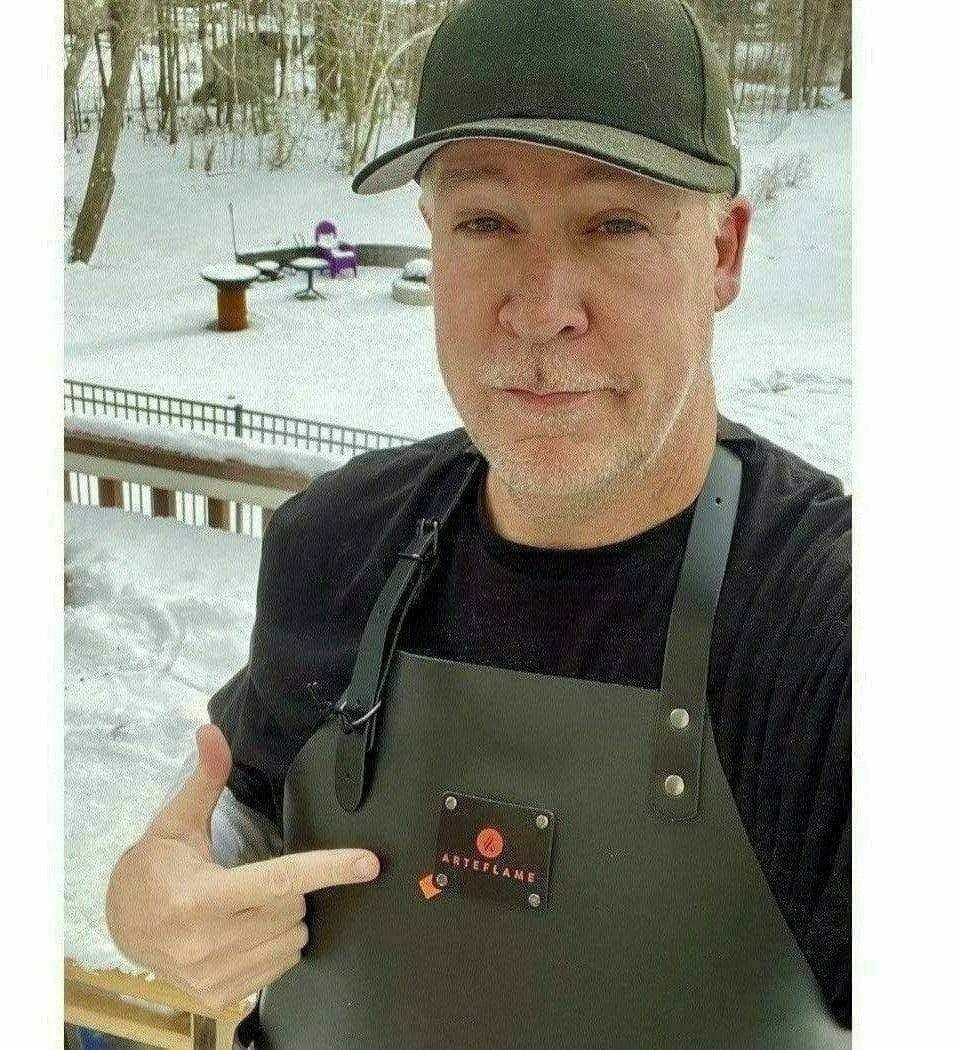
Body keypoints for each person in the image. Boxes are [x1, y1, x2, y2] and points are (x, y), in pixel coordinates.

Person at [105, 0, 851, 1046]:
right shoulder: (336, 544)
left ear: (723, 252)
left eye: (615, 223)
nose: (541, 308)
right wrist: (152, 897)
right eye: (486, 223)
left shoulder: (826, 626)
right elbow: (238, 819)